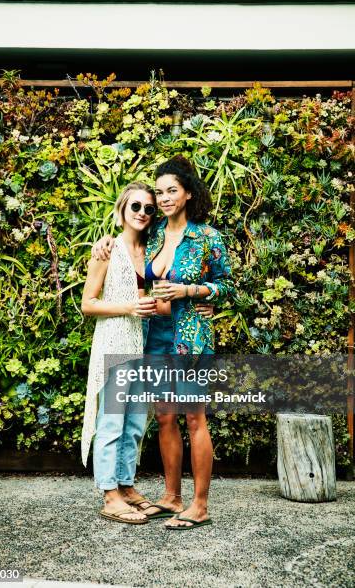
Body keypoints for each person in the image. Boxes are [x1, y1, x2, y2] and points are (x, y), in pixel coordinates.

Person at [92, 155, 236, 530]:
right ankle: (172, 497)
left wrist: (193, 289)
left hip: (190, 339)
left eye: (172, 190)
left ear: (188, 194)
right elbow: (125, 242)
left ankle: (199, 505)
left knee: (193, 417)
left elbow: (229, 286)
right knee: (165, 417)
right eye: (160, 192)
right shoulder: (154, 234)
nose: (165, 198)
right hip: (154, 336)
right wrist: (102, 243)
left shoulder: (207, 236)